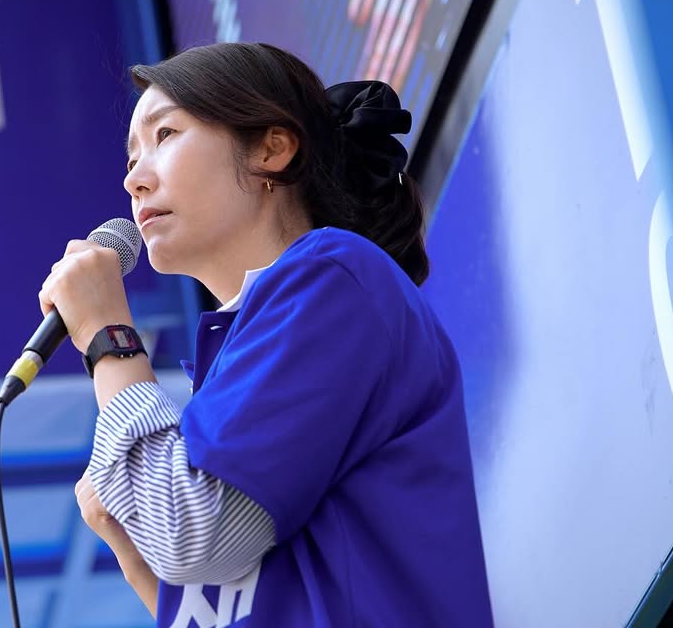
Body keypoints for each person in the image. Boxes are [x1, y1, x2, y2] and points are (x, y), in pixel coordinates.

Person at [40, 42, 493, 626]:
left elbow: (194, 535)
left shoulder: (332, 276)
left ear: (272, 149)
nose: (136, 181)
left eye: (165, 135)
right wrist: (130, 549)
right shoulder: (227, 370)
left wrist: (109, 337)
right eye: (131, 159)